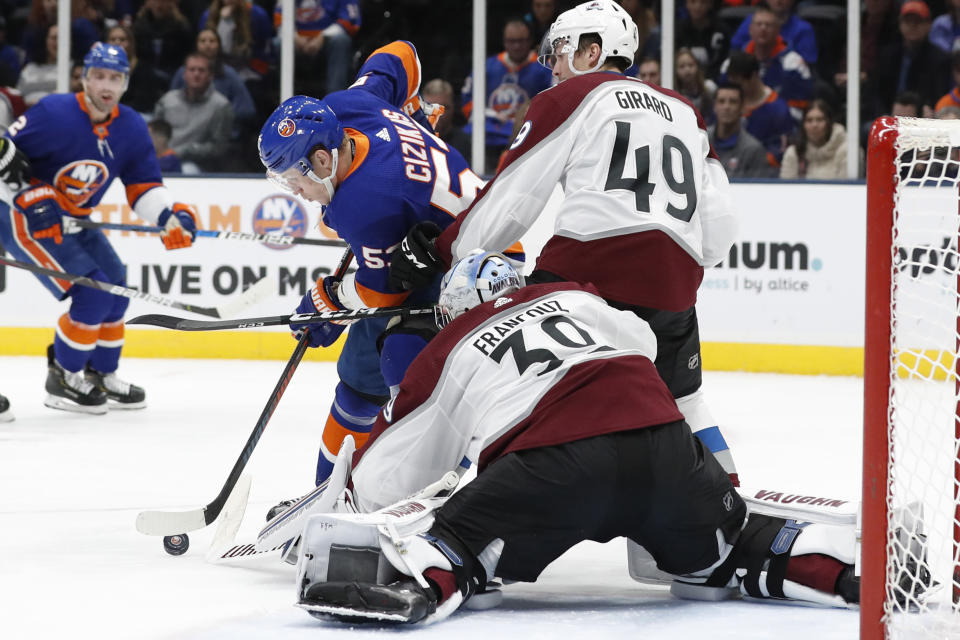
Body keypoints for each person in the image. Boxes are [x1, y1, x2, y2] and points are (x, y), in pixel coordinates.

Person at [293, 252, 861, 624]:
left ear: (454, 310)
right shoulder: (578, 299)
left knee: (461, 536)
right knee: (727, 546)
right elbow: (643, 344)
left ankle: (426, 579)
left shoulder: (451, 344)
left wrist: (356, 498)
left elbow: (393, 475)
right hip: (664, 445)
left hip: (554, 468)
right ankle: (844, 567)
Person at [390, 0, 741, 488]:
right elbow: (720, 228)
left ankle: (436, 494)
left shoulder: (573, 96)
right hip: (674, 290)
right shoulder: (687, 112)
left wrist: (441, 251)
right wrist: (672, 264)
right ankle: (730, 512)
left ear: (593, 51)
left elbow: (512, 200)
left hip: (587, 279)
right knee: (684, 401)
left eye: (559, 50)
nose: (552, 64)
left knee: (488, 360)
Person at [256, 40, 504, 489]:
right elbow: (403, 52)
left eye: (294, 179)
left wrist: (329, 300)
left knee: (406, 364)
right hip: (428, 244)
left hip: (482, 261)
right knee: (357, 380)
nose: (294, 191)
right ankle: (325, 498)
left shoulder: (367, 204)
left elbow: (379, 293)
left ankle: (448, 490)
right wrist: (409, 108)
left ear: (322, 160)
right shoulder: (347, 108)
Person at [0, 42, 199, 414]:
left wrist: (168, 217)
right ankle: (62, 378)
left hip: (74, 219)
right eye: (99, 76)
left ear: (126, 83)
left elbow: (143, 186)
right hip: (21, 218)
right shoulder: (53, 113)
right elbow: (5, 157)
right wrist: (29, 194)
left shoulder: (131, 126)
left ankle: (99, 374)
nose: (107, 86)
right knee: (92, 293)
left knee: (116, 288)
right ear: (85, 78)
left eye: (116, 78)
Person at [461, 17, 554, 174]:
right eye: (511, 41)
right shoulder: (487, 67)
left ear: (530, 41)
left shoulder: (544, 69)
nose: (516, 46)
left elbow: (552, 105)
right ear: (504, 42)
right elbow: (467, 99)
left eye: (521, 41)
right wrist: (488, 116)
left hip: (524, 138)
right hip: (487, 137)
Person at [154, 52, 235, 173]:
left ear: (210, 76)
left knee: (188, 170)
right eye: (192, 70)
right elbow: (155, 132)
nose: (196, 74)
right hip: (163, 157)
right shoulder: (168, 100)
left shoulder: (221, 106)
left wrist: (187, 151)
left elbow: (219, 147)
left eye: (201, 70)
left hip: (195, 164)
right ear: (184, 74)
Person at [875, 0, 951, 118]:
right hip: (888, 115)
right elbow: (877, 93)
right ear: (900, 24)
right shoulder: (887, 55)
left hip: (921, 116)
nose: (912, 26)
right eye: (908, 21)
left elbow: (938, 94)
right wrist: (883, 115)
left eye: (917, 22)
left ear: (928, 25)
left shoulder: (939, 59)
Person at [169, 28, 256, 130]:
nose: (207, 44)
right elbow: (171, 102)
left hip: (220, 130)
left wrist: (218, 116)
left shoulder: (229, 74)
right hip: (186, 128)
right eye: (203, 41)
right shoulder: (183, 72)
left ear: (218, 45)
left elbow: (247, 109)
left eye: (212, 41)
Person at [277, 0, 360, 96]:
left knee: (340, 40)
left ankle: (334, 100)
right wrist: (294, 36)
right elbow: (279, 20)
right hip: (297, 42)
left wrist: (322, 36)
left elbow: (350, 22)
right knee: (279, 44)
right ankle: (286, 100)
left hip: (328, 43)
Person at [724, 50, 795, 162]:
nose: (734, 89)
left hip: (759, 172)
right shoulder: (726, 103)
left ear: (753, 76)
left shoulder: (778, 109)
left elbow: (780, 151)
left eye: (738, 84)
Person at [710, 83, 777, 178]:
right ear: (715, 107)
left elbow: (757, 189)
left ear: (742, 108)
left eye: (733, 102)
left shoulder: (754, 150)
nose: (726, 107)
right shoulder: (699, 140)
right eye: (721, 101)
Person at [729, 0, 818, 67]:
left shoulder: (803, 29)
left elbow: (807, 64)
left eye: (768, 25)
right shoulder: (750, 22)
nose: (778, 1)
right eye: (759, 24)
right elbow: (734, 52)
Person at [779, 100, 852, 180]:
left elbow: (847, 189)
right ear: (803, 125)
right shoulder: (794, 153)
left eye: (820, 119)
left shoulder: (847, 151)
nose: (814, 125)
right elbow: (786, 188)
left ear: (829, 123)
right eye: (809, 120)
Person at [675, 0, 730, 78]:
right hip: (682, 81)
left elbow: (723, 60)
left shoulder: (721, 30)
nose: (698, 6)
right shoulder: (677, 29)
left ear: (710, 4)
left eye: (703, 2)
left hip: (713, 80)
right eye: (693, 2)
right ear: (687, 4)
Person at [421, 78, 471, 161]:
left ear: (453, 108)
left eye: (444, 108)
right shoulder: (412, 140)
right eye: (430, 107)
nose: (438, 114)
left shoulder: (466, 143)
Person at [16, 23, 59, 108]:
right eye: (54, 38)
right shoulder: (29, 68)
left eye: (62, 38)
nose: (58, 42)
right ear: (45, 40)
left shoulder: (71, 68)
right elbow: (18, 96)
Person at [675, 47, 716, 124]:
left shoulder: (710, 88)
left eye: (690, 65)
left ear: (697, 67)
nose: (687, 69)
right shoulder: (674, 95)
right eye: (682, 66)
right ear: (676, 71)